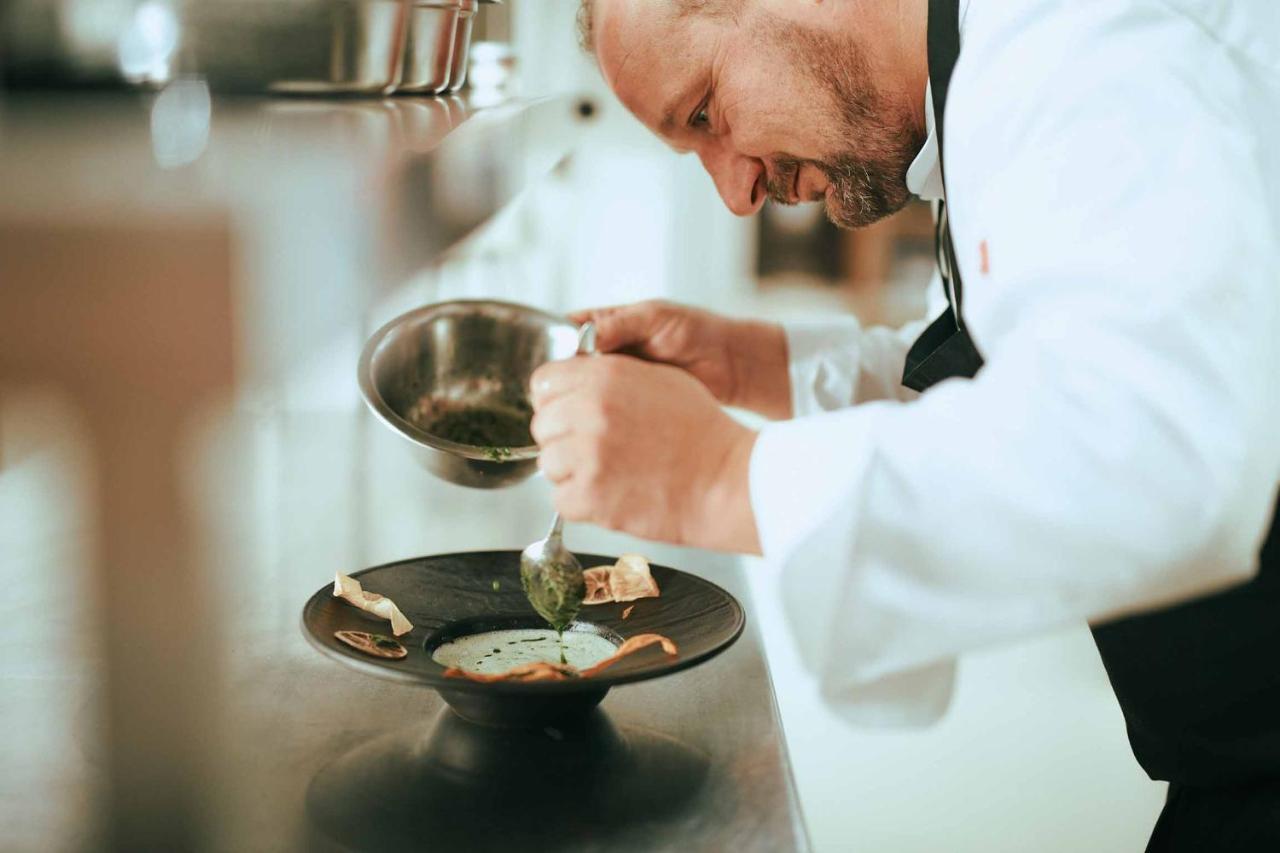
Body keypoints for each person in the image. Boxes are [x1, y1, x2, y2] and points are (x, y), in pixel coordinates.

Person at [528, 0, 1280, 848]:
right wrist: (753, 366)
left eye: (705, 113)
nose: (735, 193)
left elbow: (1161, 454)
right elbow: (1025, 361)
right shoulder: (982, 72)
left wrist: (713, 478)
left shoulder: (1085, 39)